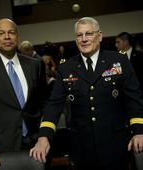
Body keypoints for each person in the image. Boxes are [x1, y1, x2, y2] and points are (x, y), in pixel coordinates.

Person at [30, 17, 143, 170]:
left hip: (116, 145)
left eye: (89, 34)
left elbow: (134, 100)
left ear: (100, 36)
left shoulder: (119, 61)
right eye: (79, 35)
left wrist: (139, 131)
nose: (84, 39)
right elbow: (54, 105)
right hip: (81, 147)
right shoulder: (66, 67)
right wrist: (44, 137)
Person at [0, 18, 47, 170]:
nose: (7, 36)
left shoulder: (35, 65)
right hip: (3, 145)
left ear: (17, 37)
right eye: (1, 33)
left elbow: (45, 104)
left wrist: (45, 136)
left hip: (37, 143)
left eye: (11, 32)